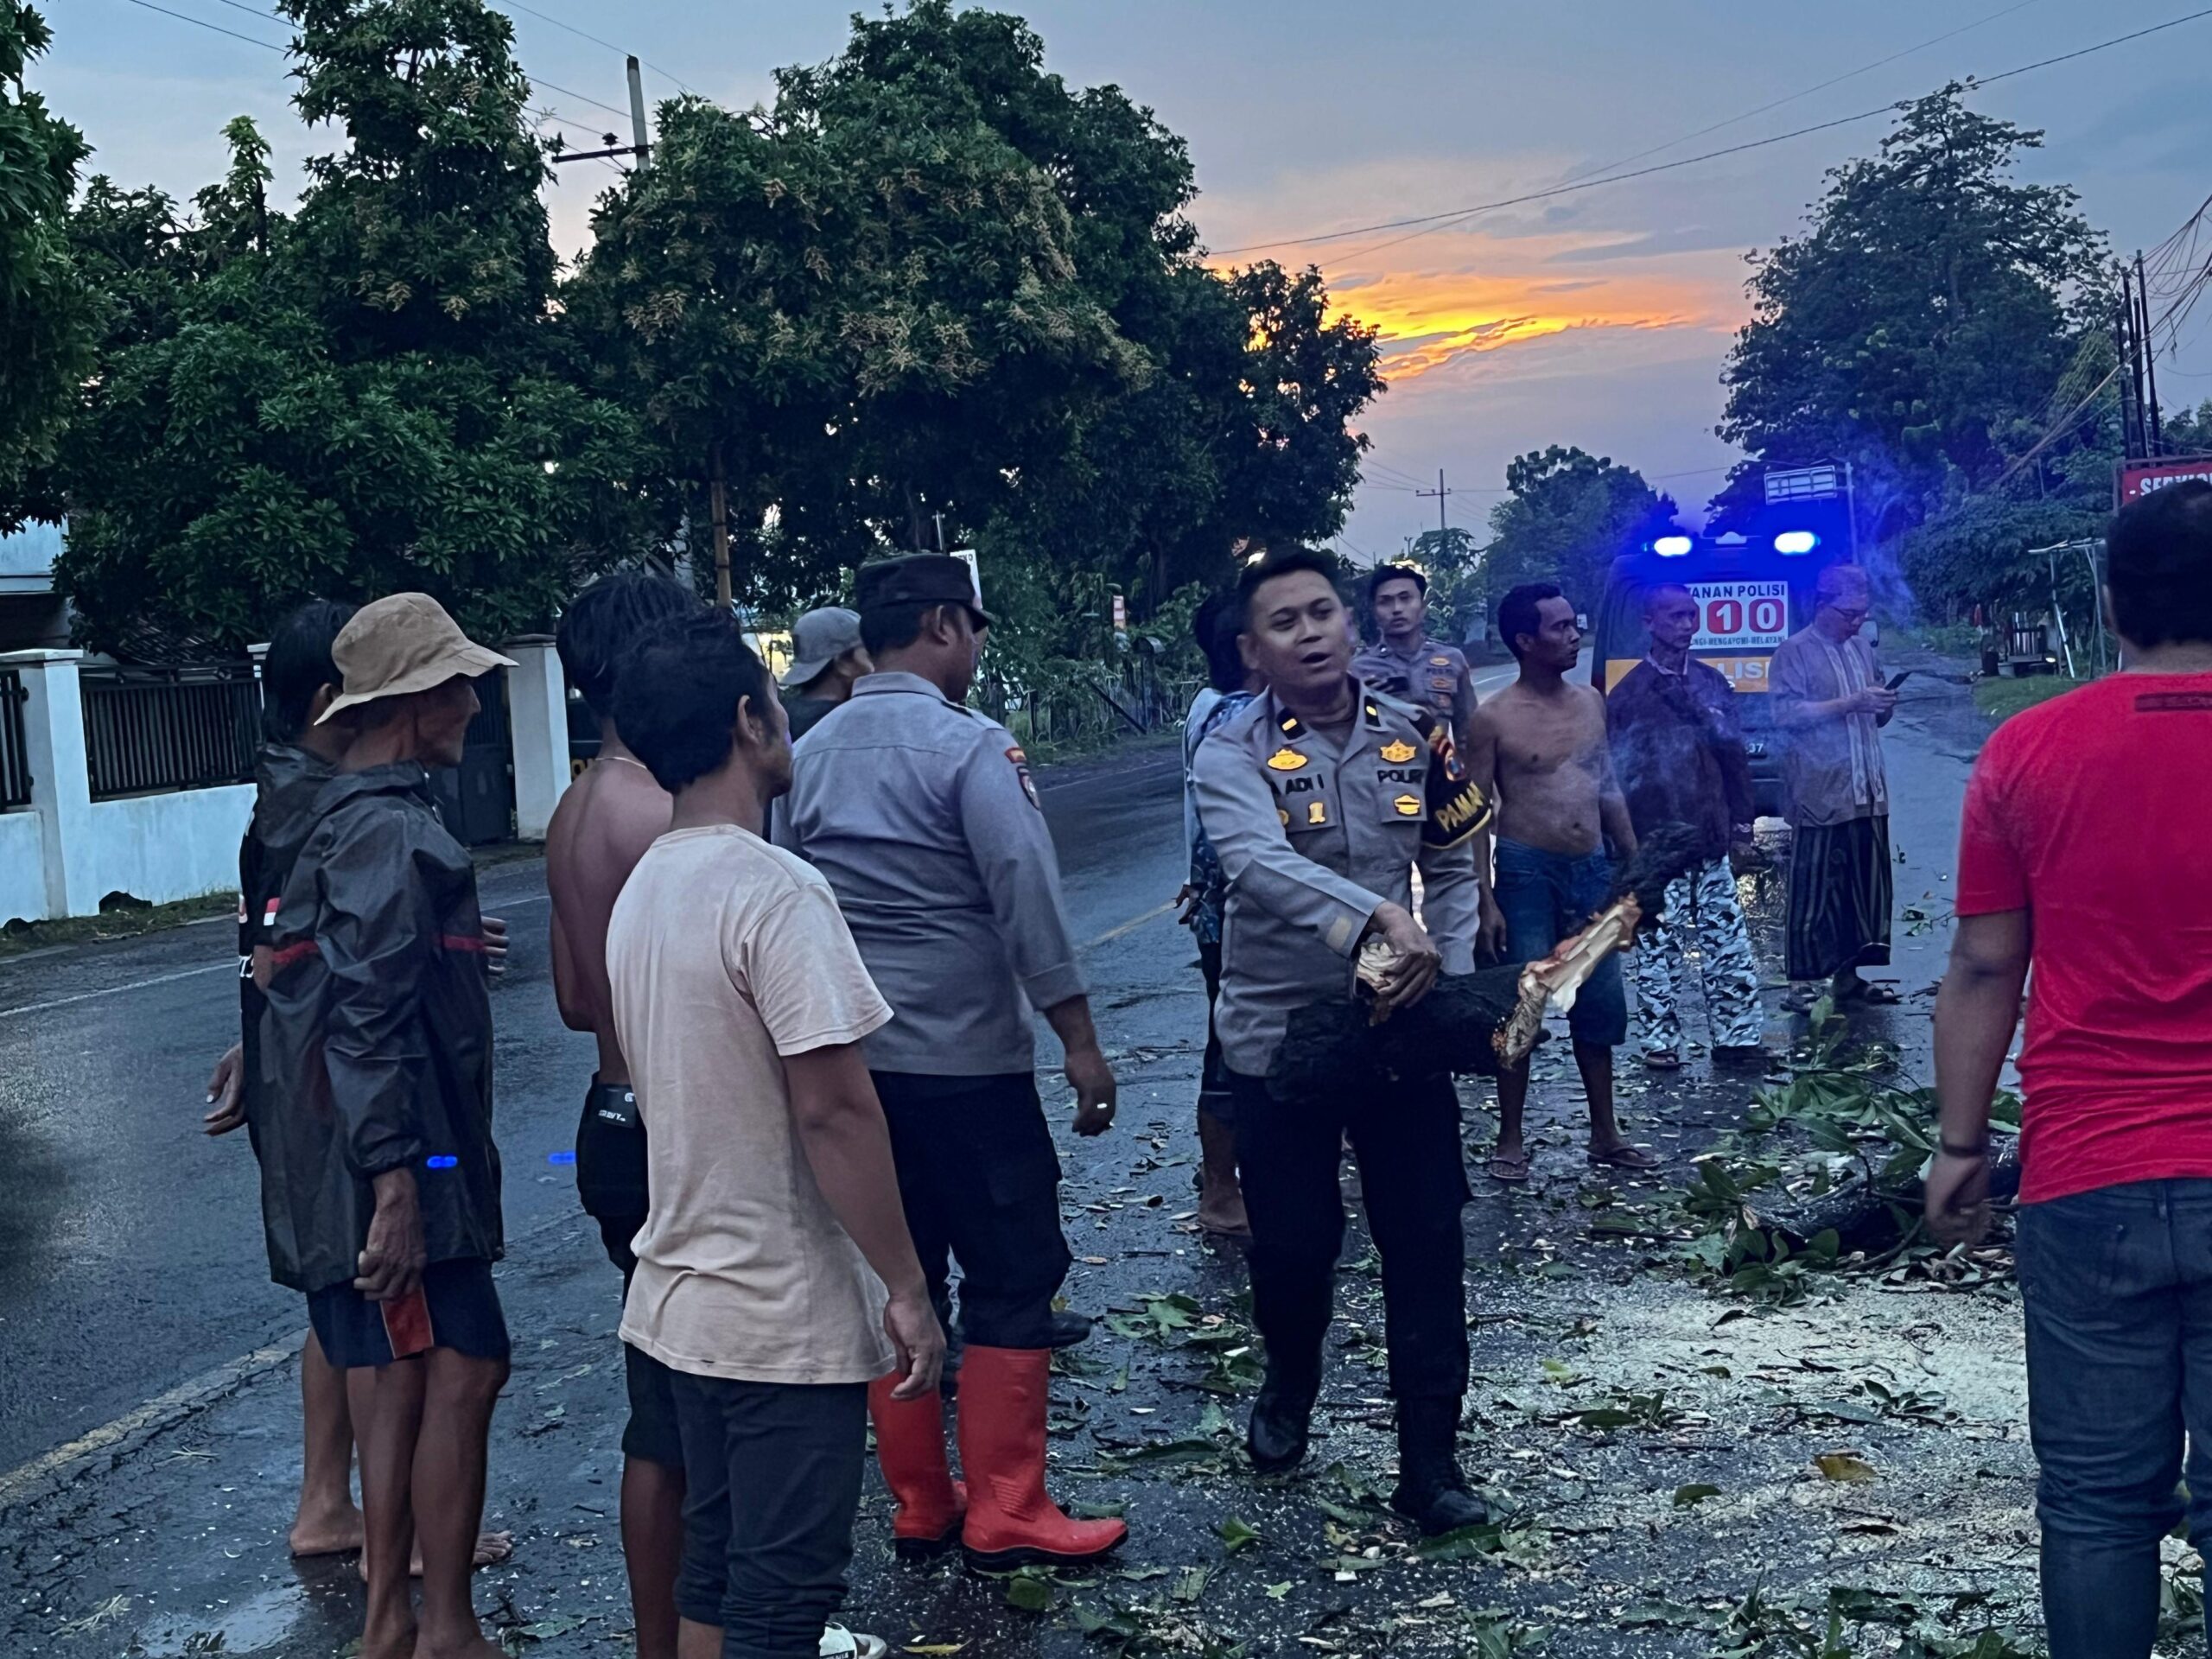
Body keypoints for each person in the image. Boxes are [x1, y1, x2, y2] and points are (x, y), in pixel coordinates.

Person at [778, 551, 1127, 1569]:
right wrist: (1077, 1039)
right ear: (938, 625)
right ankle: (1009, 1507)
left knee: (903, 1273)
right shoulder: (971, 747)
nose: (977, 646)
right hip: (969, 1068)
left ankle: (923, 1500)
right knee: (1014, 1271)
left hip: (852, 1068)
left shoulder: (809, 753)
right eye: (972, 627)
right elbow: (1023, 889)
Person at [606, 607, 942, 1659]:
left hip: (678, 1307)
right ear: (752, 722)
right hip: (776, 1320)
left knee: (716, 1570)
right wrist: (907, 1287)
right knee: (783, 1600)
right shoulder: (776, 891)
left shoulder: (645, 888)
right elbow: (834, 1108)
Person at [1926, 480, 2212, 1659]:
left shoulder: (2027, 751)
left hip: (2086, 1179)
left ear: (2109, 605)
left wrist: (1958, 1148)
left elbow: (1986, 969)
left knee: (2097, 1505)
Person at [1192, 545, 1496, 1535]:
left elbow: (1451, 863)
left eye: (1322, 612)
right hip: (1280, 1036)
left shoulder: (1417, 734)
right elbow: (1252, 861)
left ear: (1351, 625)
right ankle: (1289, 1383)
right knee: (1294, 1247)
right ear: (1252, 651)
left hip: (1397, 1031)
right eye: (1285, 622)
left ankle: (1430, 1465)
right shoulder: (1230, 752)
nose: (1311, 632)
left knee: (1425, 1241)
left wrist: (1435, 972)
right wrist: (1375, 921)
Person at [259, 593, 514, 1659]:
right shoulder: (391, 832)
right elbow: (366, 1023)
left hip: (376, 1148)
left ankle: (406, 1623)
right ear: (412, 702)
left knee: (424, 1373)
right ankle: (419, 1628)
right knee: (456, 1367)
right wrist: (400, 1187)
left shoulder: (329, 818)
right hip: (402, 1155)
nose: (472, 704)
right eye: (457, 685)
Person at [545, 571, 701, 1659]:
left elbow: (570, 998)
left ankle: (669, 1641)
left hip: (610, 1114)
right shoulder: (657, 811)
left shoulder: (575, 804)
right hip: (679, 1126)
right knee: (704, 1416)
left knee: (665, 1411)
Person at [1465, 582, 1649, 1183]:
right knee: (1523, 1003)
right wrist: (1484, 898)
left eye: (1575, 624)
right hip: (1525, 871)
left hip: (1592, 870)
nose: (1574, 636)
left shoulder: (1591, 704)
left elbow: (1608, 783)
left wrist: (1633, 862)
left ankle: (1605, 1132)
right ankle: (1511, 1137)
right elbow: (1476, 812)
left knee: (1598, 1001)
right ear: (1525, 641)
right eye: (1560, 628)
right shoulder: (1493, 718)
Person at [1605, 582, 1766, 1068]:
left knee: (1726, 942)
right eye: (1674, 616)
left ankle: (1738, 1040)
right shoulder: (1628, 694)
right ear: (1649, 623)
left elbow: (1735, 757)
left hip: (1710, 835)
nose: (1686, 626)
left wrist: (1742, 826)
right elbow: (1614, 774)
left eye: (1691, 616)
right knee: (1657, 947)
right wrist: (1624, 846)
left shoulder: (1711, 684)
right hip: (1657, 843)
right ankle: (1660, 1045)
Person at [1771, 563, 1898, 1007]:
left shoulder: (1862, 648)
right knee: (1815, 888)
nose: (1858, 621)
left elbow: (1876, 711)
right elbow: (1786, 714)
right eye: (1849, 613)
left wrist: (1881, 704)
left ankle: (1850, 975)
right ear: (1822, 605)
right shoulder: (1795, 651)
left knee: (1865, 888)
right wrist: (1850, 703)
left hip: (1866, 787)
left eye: (1863, 612)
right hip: (1820, 788)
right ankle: (1802, 985)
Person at [1178, 600, 1259, 1239]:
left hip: (1228, 908)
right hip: (1243, 913)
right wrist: (1209, 884)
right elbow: (1218, 822)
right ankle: (1220, 1191)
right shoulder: (1236, 717)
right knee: (1232, 1046)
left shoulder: (1207, 707)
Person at [1354, 563, 1477, 744]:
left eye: (1405, 598)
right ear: (1374, 611)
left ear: (1423, 606)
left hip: (1437, 768)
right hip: (1380, 769)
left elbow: (1468, 733)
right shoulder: (1357, 670)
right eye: (1385, 601)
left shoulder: (1452, 660)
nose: (1396, 609)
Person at [779, 607, 873, 740]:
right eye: (869, 655)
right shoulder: (851, 722)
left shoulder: (781, 717)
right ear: (844, 663)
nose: (874, 666)